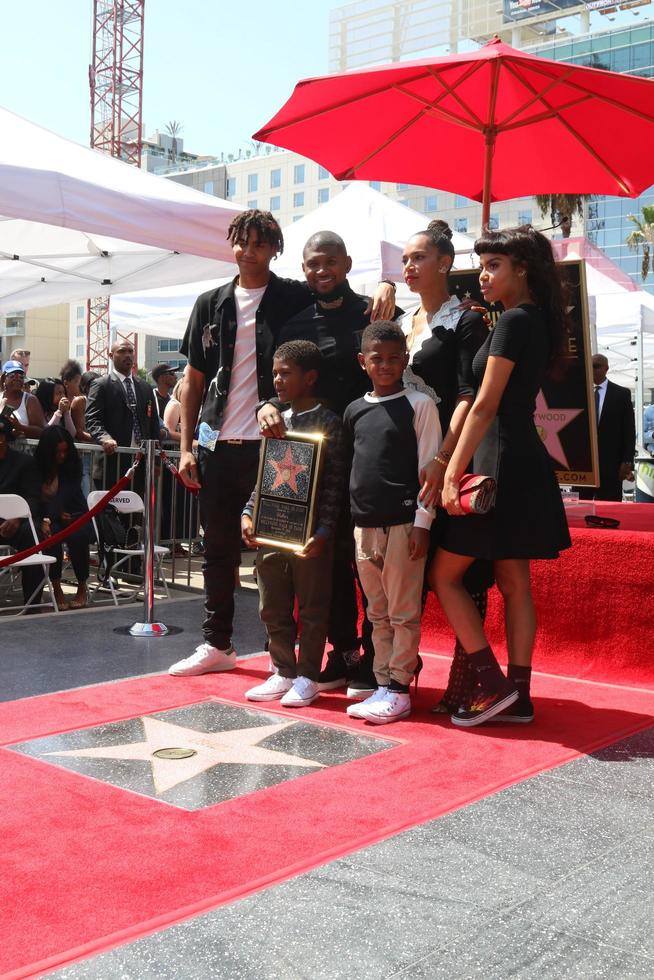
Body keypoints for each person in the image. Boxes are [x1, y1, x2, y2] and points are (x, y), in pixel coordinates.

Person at [168, 209, 394, 677]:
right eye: (241, 242)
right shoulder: (209, 303)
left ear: (274, 249)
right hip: (217, 444)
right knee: (218, 550)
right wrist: (186, 447)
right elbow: (192, 381)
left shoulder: (293, 295)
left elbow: (337, 286)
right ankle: (217, 643)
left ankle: (303, 658)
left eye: (259, 243)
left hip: (279, 446)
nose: (248, 252)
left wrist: (387, 285)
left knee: (296, 555)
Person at [434, 225, 571, 728]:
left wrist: (451, 472)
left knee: (444, 576)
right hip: (523, 460)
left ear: (523, 269)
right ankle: (518, 693)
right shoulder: (532, 320)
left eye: (494, 265)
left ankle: (491, 687)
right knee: (515, 581)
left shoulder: (514, 321)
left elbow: (485, 404)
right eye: (483, 264)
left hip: (497, 464)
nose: (484, 274)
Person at [257, 230, 403, 699]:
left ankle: (373, 657)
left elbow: (404, 344)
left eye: (329, 263)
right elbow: (276, 379)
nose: (321, 272)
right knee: (330, 563)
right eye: (311, 265)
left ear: (346, 263)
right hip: (309, 461)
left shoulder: (374, 312)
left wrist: (391, 283)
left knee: (363, 561)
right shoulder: (294, 321)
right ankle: (342, 655)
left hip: (368, 451)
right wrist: (264, 404)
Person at [401, 221, 494, 716]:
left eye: (418, 257)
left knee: (461, 573)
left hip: (453, 461)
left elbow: (468, 394)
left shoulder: (467, 321)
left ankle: (471, 682)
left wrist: (445, 461)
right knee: (409, 571)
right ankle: (395, 671)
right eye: (404, 260)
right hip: (406, 465)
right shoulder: (397, 320)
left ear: (444, 262)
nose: (409, 267)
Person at [343, 321, 441, 724]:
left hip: (403, 524)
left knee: (403, 612)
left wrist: (423, 522)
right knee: (376, 613)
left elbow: (429, 469)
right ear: (362, 362)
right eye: (376, 358)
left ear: (405, 360)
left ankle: (400, 686)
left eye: (394, 358)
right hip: (363, 526)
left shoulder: (420, 405)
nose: (385, 365)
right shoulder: (354, 410)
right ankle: (383, 683)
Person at [241, 341, 347, 707]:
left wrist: (324, 531)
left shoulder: (330, 422)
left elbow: (334, 486)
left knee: (314, 607)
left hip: (312, 535)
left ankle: (307, 676)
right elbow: (263, 478)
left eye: (286, 373)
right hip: (272, 531)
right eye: (275, 373)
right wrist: (248, 512)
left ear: (310, 378)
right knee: (272, 604)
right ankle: (282, 670)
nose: (278, 380)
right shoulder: (275, 420)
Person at [85, 340, 161, 488]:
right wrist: (105, 438)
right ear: (111, 355)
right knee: (109, 510)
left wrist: (156, 461)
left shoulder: (145, 387)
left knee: (137, 509)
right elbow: (92, 419)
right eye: (122, 351)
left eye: (130, 351)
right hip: (111, 464)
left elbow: (153, 426)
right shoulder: (101, 385)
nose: (127, 355)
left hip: (140, 465)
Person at [34, 426, 91, 610]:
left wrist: (50, 517)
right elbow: (34, 496)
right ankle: (56, 586)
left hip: (74, 512)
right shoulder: (37, 466)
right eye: (57, 452)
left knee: (78, 535)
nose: (61, 456)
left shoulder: (73, 464)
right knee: (52, 536)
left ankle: (82, 586)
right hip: (50, 516)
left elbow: (65, 494)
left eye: (65, 451)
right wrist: (50, 518)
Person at [0, 414, 46, 610]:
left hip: (17, 521)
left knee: (33, 533)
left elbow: (33, 497)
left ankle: (32, 603)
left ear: (3, 439)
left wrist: (17, 518)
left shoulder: (24, 463)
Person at [579, 354, 636, 501]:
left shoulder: (621, 394)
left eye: (596, 366)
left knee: (609, 508)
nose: (592, 370)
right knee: (580, 507)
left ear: (606, 369)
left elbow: (628, 431)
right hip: (583, 464)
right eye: (589, 366)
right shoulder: (578, 392)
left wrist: (627, 461)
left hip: (611, 464)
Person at [0, 360, 46, 438]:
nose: (17, 379)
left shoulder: (31, 400)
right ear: (4, 378)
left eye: (21, 376)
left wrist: (20, 427)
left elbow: (41, 431)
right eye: (12, 375)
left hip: (24, 450)